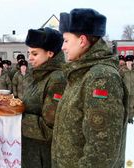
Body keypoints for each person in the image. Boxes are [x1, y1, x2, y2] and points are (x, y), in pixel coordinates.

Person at [52, 8, 127, 168]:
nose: (63, 47)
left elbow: (102, 150)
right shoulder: (80, 73)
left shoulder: (101, 77)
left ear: (82, 40)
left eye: (66, 40)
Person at [21, 27, 66, 168]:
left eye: (34, 53)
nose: (29, 58)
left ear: (50, 53)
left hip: (45, 157)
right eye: (28, 53)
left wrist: (15, 119)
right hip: (32, 152)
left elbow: (50, 129)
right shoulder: (37, 75)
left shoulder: (57, 79)